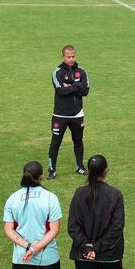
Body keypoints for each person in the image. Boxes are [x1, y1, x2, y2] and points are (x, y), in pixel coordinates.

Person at [49, 45, 90, 179]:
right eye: (68, 57)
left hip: (77, 115)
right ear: (63, 57)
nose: (71, 59)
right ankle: (51, 169)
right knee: (56, 143)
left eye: (73, 56)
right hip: (60, 115)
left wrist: (70, 85)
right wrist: (77, 85)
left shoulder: (82, 71)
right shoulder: (57, 72)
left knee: (78, 141)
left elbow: (85, 91)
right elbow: (60, 91)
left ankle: (79, 166)